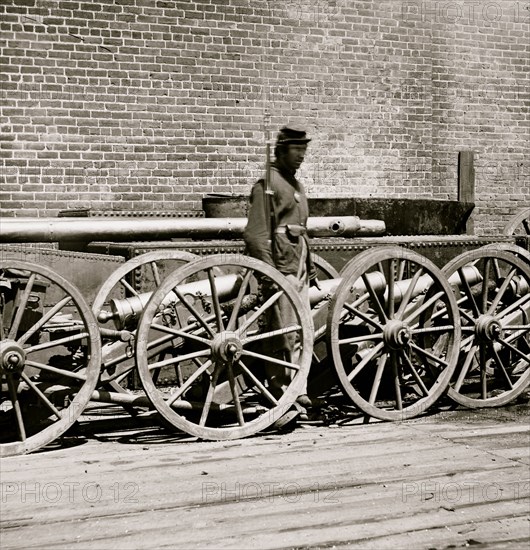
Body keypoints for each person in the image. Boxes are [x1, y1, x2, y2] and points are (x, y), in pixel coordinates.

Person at [243, 125, 322, 410]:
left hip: (297, 263)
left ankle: (298, 388)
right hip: (280, 265)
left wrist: (309, 266)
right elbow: (255, 234)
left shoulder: (296, 185)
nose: (301, 156)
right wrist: (269, 272)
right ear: (281, 150)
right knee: (284, 332)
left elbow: (300, 230)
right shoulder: (268, 184)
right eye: (296, 150)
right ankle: (281, 391)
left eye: (304, 150)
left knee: (302, 329)